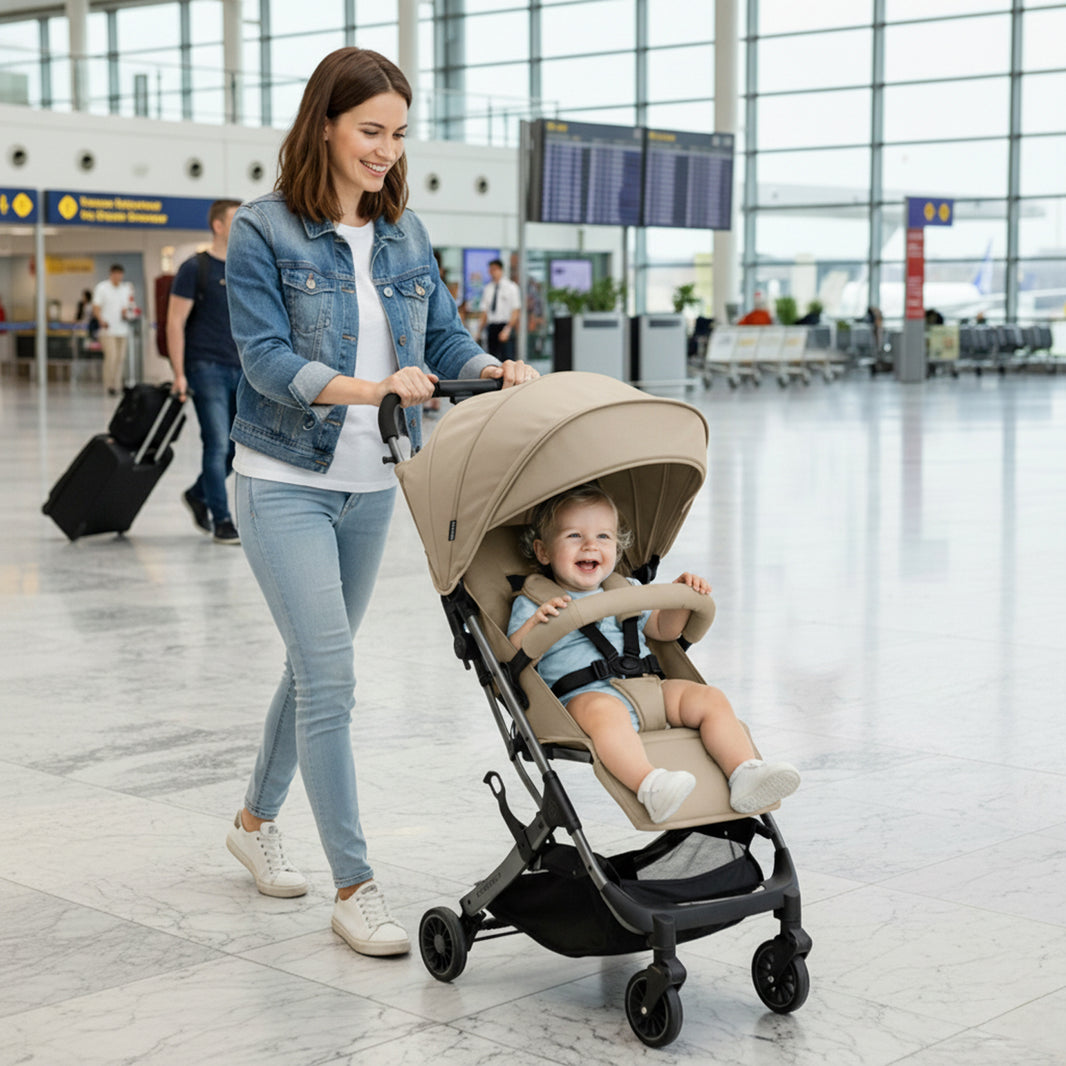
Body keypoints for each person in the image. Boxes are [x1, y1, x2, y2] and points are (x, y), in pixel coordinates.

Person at [223, 47, 538, 959]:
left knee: (311, 669)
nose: (386, 152)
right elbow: (266, 362)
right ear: (324, 122)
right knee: (333, 680)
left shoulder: (403, 232)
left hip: (371, 488)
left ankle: (252, 821)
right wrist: (376, 392)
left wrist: (488, 368)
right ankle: (355, 885)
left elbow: (440, 333)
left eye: (399, 135)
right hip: (284, 481)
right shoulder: (263, 231)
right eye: (371, 131)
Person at [508, 484, 799, 825]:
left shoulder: (626, 590)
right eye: (574, 535)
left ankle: (744, 773)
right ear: (543, 551)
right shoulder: (532, 601)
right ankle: (650, 785)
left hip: (648, 690)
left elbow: (664, 631)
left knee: (709, 698)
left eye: (603, 536)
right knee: (605, 713)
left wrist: (678, 596)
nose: (590, 545)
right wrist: (534, 625)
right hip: (584, 698)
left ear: (617, 547)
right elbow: (514, 656)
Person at [168, 198, 244, 546]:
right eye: (235, 219)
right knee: (215, 444)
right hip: (205, 367)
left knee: (235, 449)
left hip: (241, 369)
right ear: (218, 225)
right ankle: (222, 519)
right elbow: (175, 322)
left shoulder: (245, 268)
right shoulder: (194, 268)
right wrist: (179, 373)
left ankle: (198, 493)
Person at [92, 264, 136, 394]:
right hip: (108, 329)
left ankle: (117, 384)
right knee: (111, 356)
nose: (118, 277)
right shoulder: (102, 288)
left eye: (120, 274)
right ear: (111, 274)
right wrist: (101, 320)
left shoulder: (126, 289)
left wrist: (127, 313)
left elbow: (130, 307)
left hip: (122, 329)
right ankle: (109, 385)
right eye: (115, 274)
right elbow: (96, 307)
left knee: (120, 358)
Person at [476, 258, 521, 358]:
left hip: (505, 326)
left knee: (507, 358)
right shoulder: (488, 288)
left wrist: (507, 329)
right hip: (492, 326)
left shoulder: (511, 287)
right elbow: (484, 312)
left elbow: (516, 310)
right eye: (490, 270)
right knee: (492, 358)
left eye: (494, 269)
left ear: (501, 270)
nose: (492, 272)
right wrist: (479, 331)